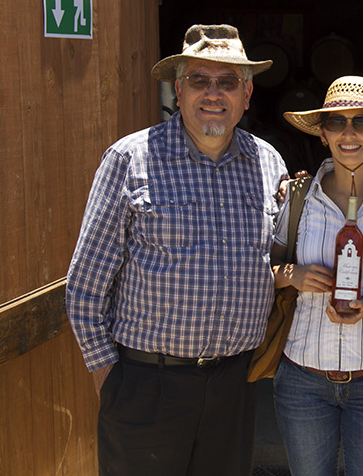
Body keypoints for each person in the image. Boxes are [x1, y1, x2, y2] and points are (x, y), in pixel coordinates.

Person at [65, 24, 288, 475]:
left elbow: (273, 261)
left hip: (234, 386)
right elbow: (84, 287)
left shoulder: (268, 163)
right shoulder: (130, 159)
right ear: (178, 90)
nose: (213, 93)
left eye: (228, 82)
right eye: (199, 80)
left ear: (247, 94)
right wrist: (110, 379)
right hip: (148, 384)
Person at [271, 76, 363, 476]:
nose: (349, 133)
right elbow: (261, 274)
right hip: (303, 378)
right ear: (323, 134)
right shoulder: (300, 197)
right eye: (336, 122)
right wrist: (292, 275)